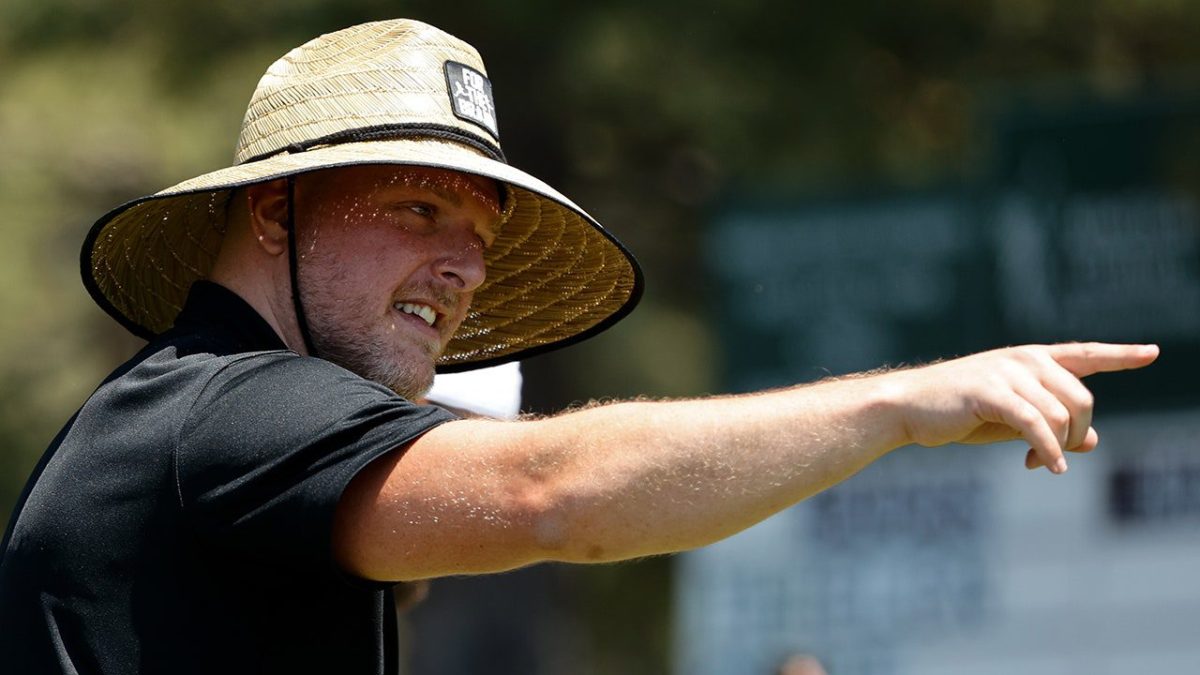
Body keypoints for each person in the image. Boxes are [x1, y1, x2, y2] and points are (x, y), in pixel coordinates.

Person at [0, 17, 1157, 675]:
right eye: (418, 207)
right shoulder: (230, 410)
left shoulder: (214, 435)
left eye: (479, 234)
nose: (464, 267)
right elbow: (557, 496)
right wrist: (898, 405)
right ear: (272, 211)